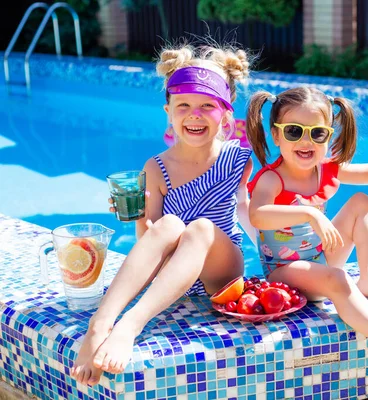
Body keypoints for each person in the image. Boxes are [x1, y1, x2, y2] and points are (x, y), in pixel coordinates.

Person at [71, 44, 254, 386]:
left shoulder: (240, 158)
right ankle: (101, 323)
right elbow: (150, 239)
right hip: (173, 272)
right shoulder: (157, 167)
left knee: (199, 228)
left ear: (226, 114)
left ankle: (130, 325)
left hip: (221, 271)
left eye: (207, 106)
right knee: (171, 224)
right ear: (168, 111)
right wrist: (138, 214)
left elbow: (257, 205)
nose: (194, 114)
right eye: (183, 105)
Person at [245, 87, 368, 372]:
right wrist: (307, 213)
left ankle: (367, 279)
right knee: (338, 278)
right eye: (294, 131)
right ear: (276, 135)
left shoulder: (324, 168)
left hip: (319, 258)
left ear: (329, 136)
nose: (306, 141)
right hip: (285, 272)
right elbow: (257, 216)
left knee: (362, 203)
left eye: (317, 133)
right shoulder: (272, 179)